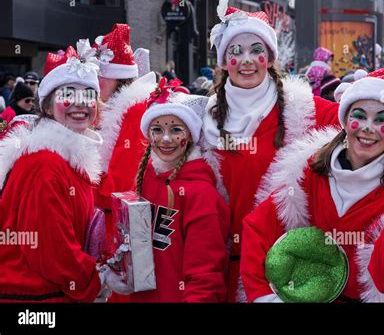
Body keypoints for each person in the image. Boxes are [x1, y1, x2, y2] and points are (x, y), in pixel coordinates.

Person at [240, 61, 384, 303]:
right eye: (359, 116)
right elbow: (259, 229)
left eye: (381, 119)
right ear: (344, 120)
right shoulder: (307, 172)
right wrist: (265, 296)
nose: (367, 128)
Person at [202, 0, 340, 301]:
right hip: (224, 271)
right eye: (236, 51)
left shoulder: (302, 110)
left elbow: (358, 125)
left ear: (271, 57)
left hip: (287, 270)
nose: (247, 60)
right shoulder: (203, 118)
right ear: (224, 61)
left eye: (257, 50)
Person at [0, 43, 115, 302]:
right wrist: (96, 279)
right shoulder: (45, 163)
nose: (80, 104)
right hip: (35, 300)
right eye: (68, 94)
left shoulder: (69, 158)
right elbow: (50, 250)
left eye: (88, 96)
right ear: (48, 107)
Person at [119, 80, 230, 302]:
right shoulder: (145, 178)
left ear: (190, 135)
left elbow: (206, 277)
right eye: (157, 129)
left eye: (176, 129)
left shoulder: (201, 194)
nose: (166, 138)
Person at [91, 24, 157, 259]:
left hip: (124, 224)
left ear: (118, 78)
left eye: (101, 75)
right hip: (119, 219)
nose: (95, 81)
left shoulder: (134, 110)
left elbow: (124, 185)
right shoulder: (117, 110)